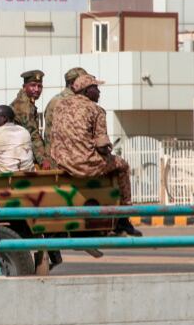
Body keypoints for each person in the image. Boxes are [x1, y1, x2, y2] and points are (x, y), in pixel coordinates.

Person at [50, 74, 141, 237]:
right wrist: (108, 152)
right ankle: (124, 218)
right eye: (96, 88)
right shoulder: (96, 109)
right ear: (87, 91)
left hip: (61, 162)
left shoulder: (59, 105)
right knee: (122, 166)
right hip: (85, 164)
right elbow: (101, 145)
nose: (99, 92)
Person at [43, 67, 88, 159]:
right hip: (66, 158)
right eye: (83, 81)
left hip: (55, 155)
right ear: (72, 84)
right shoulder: (71, 102)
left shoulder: (55, 100)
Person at [10, 69, 46, 166]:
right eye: (33, 85)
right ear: (24, 87)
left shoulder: (27, 102)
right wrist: (43, 160)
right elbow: (33, 134)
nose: (37, 89)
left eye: (39, 86)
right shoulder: (24, 105)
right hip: (18, 156)